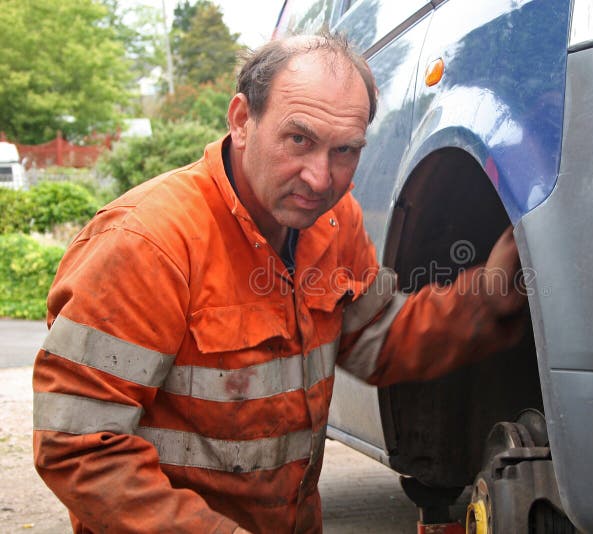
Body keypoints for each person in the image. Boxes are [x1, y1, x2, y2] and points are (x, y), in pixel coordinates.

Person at [32, 33, 526, 533]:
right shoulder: (147, 243)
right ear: (243, 120)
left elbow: (377, 339)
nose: (320, 178)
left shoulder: (334, 224)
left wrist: (486, 298)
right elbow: (77, 447)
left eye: (345, 150)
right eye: (299, 140)